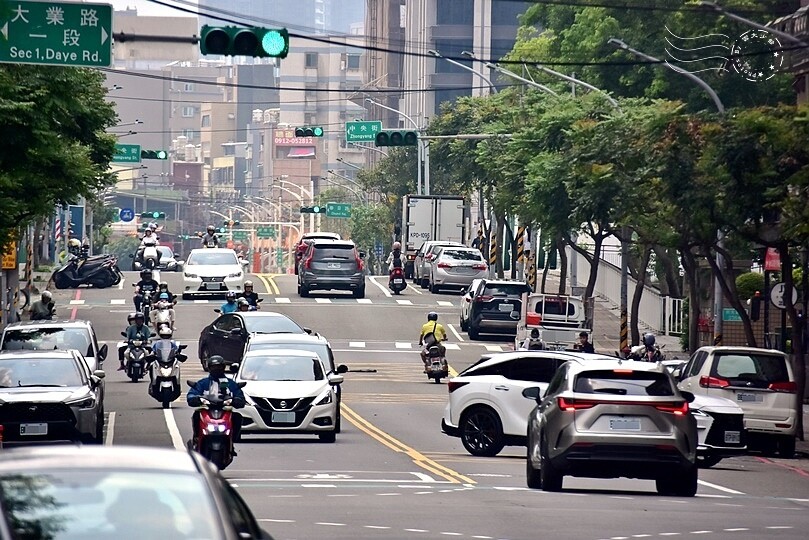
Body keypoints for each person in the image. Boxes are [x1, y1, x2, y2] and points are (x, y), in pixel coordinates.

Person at [187, 355, 245, 453]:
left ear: (223, 368)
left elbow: (239, 397)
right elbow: (192, 394)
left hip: (224, 411)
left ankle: (231, 442)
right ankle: (197, 438)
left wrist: (236, 400)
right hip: (207, 410)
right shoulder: (203, 383)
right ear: (209, 368)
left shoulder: (230, 383)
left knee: (237, 417)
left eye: (219, 367)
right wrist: (196, 399)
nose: (216, 369)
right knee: (197, 415)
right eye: (214, 367)